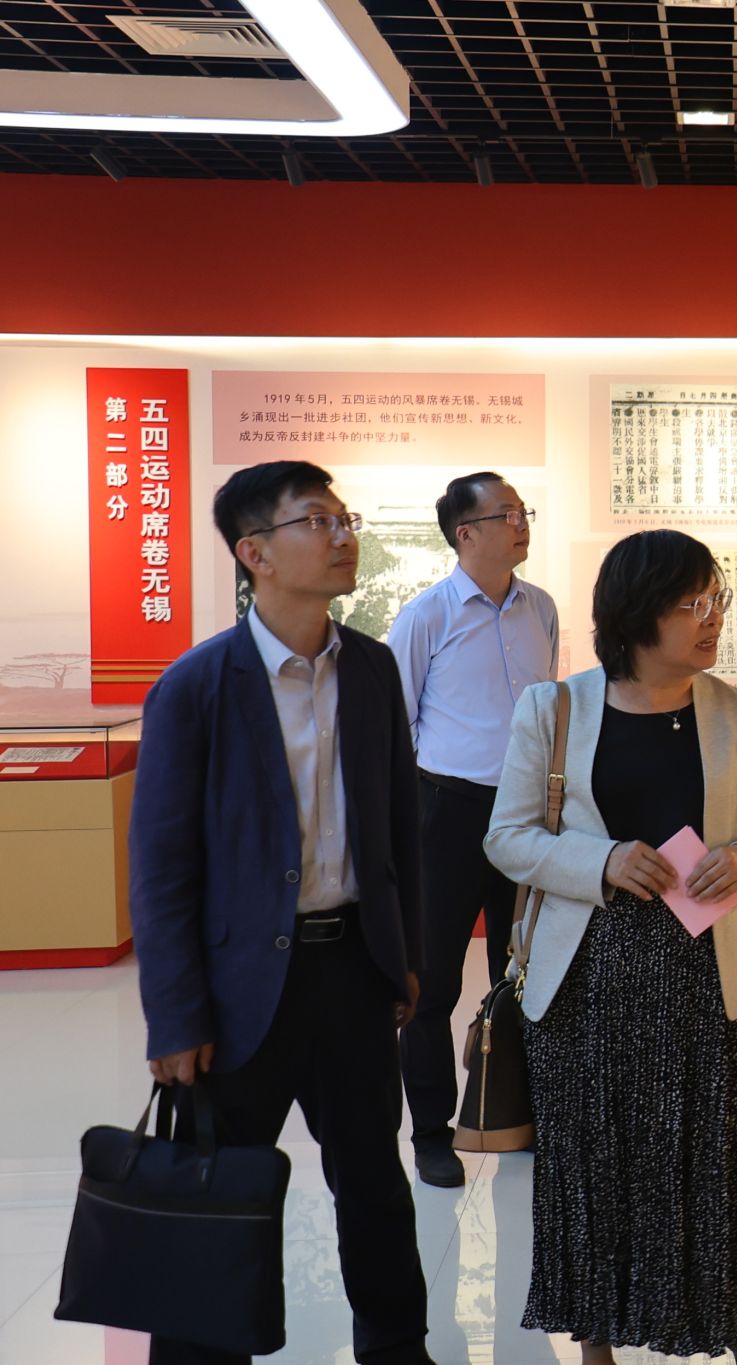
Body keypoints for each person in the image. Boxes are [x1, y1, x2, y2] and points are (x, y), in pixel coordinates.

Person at [129, 461, 433, 1365]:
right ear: (254, 553)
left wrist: (404, 954)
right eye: (317, 521)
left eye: (344, 518)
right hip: (237, 991)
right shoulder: (196, 686)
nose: (343, 536)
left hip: (352, 971)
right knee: (220, 1194)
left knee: (374, 1183)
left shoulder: (371, 668)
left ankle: (397, 1348)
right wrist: (175, 1016)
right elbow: (161, 870)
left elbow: (399, 830)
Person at [483, 529, 737, 1365]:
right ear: (636, 614)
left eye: (716, 600)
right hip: (586, 973)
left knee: (717, 1157)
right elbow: (507, 837)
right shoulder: (554, 709)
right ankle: (596, 1342)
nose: (712, 618)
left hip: (703, 967)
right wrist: (602, 860)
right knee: (593, 1162)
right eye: (692, 604)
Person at [387, 471, 558, 1188]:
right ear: (466, 533)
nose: (521, 523)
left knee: (523, 974)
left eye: (523, 511)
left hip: (526, 816)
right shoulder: (426, 616)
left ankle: (518, 1115)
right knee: (431, 985)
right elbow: (394, 726)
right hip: (446, 813)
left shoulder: (540, 608)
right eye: (507, 513)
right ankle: (433, 1134)